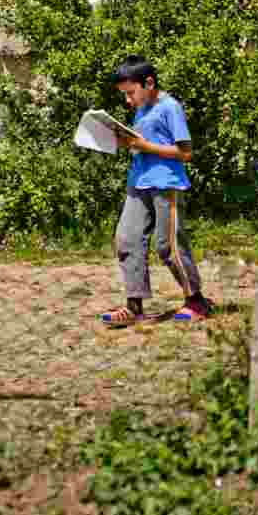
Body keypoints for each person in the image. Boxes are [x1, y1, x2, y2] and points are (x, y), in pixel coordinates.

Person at [101, 55, 213, 326]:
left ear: (149, 83)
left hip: (166, 184)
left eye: (130, 93)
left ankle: (196, 301)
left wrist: (145, 147)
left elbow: (185, 153)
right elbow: (143, 143)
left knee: (167, 245)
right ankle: (134, 307)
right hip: (138, 182)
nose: (128, 100)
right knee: (127, 239)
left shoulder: (170, 107)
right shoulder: (142, 107)